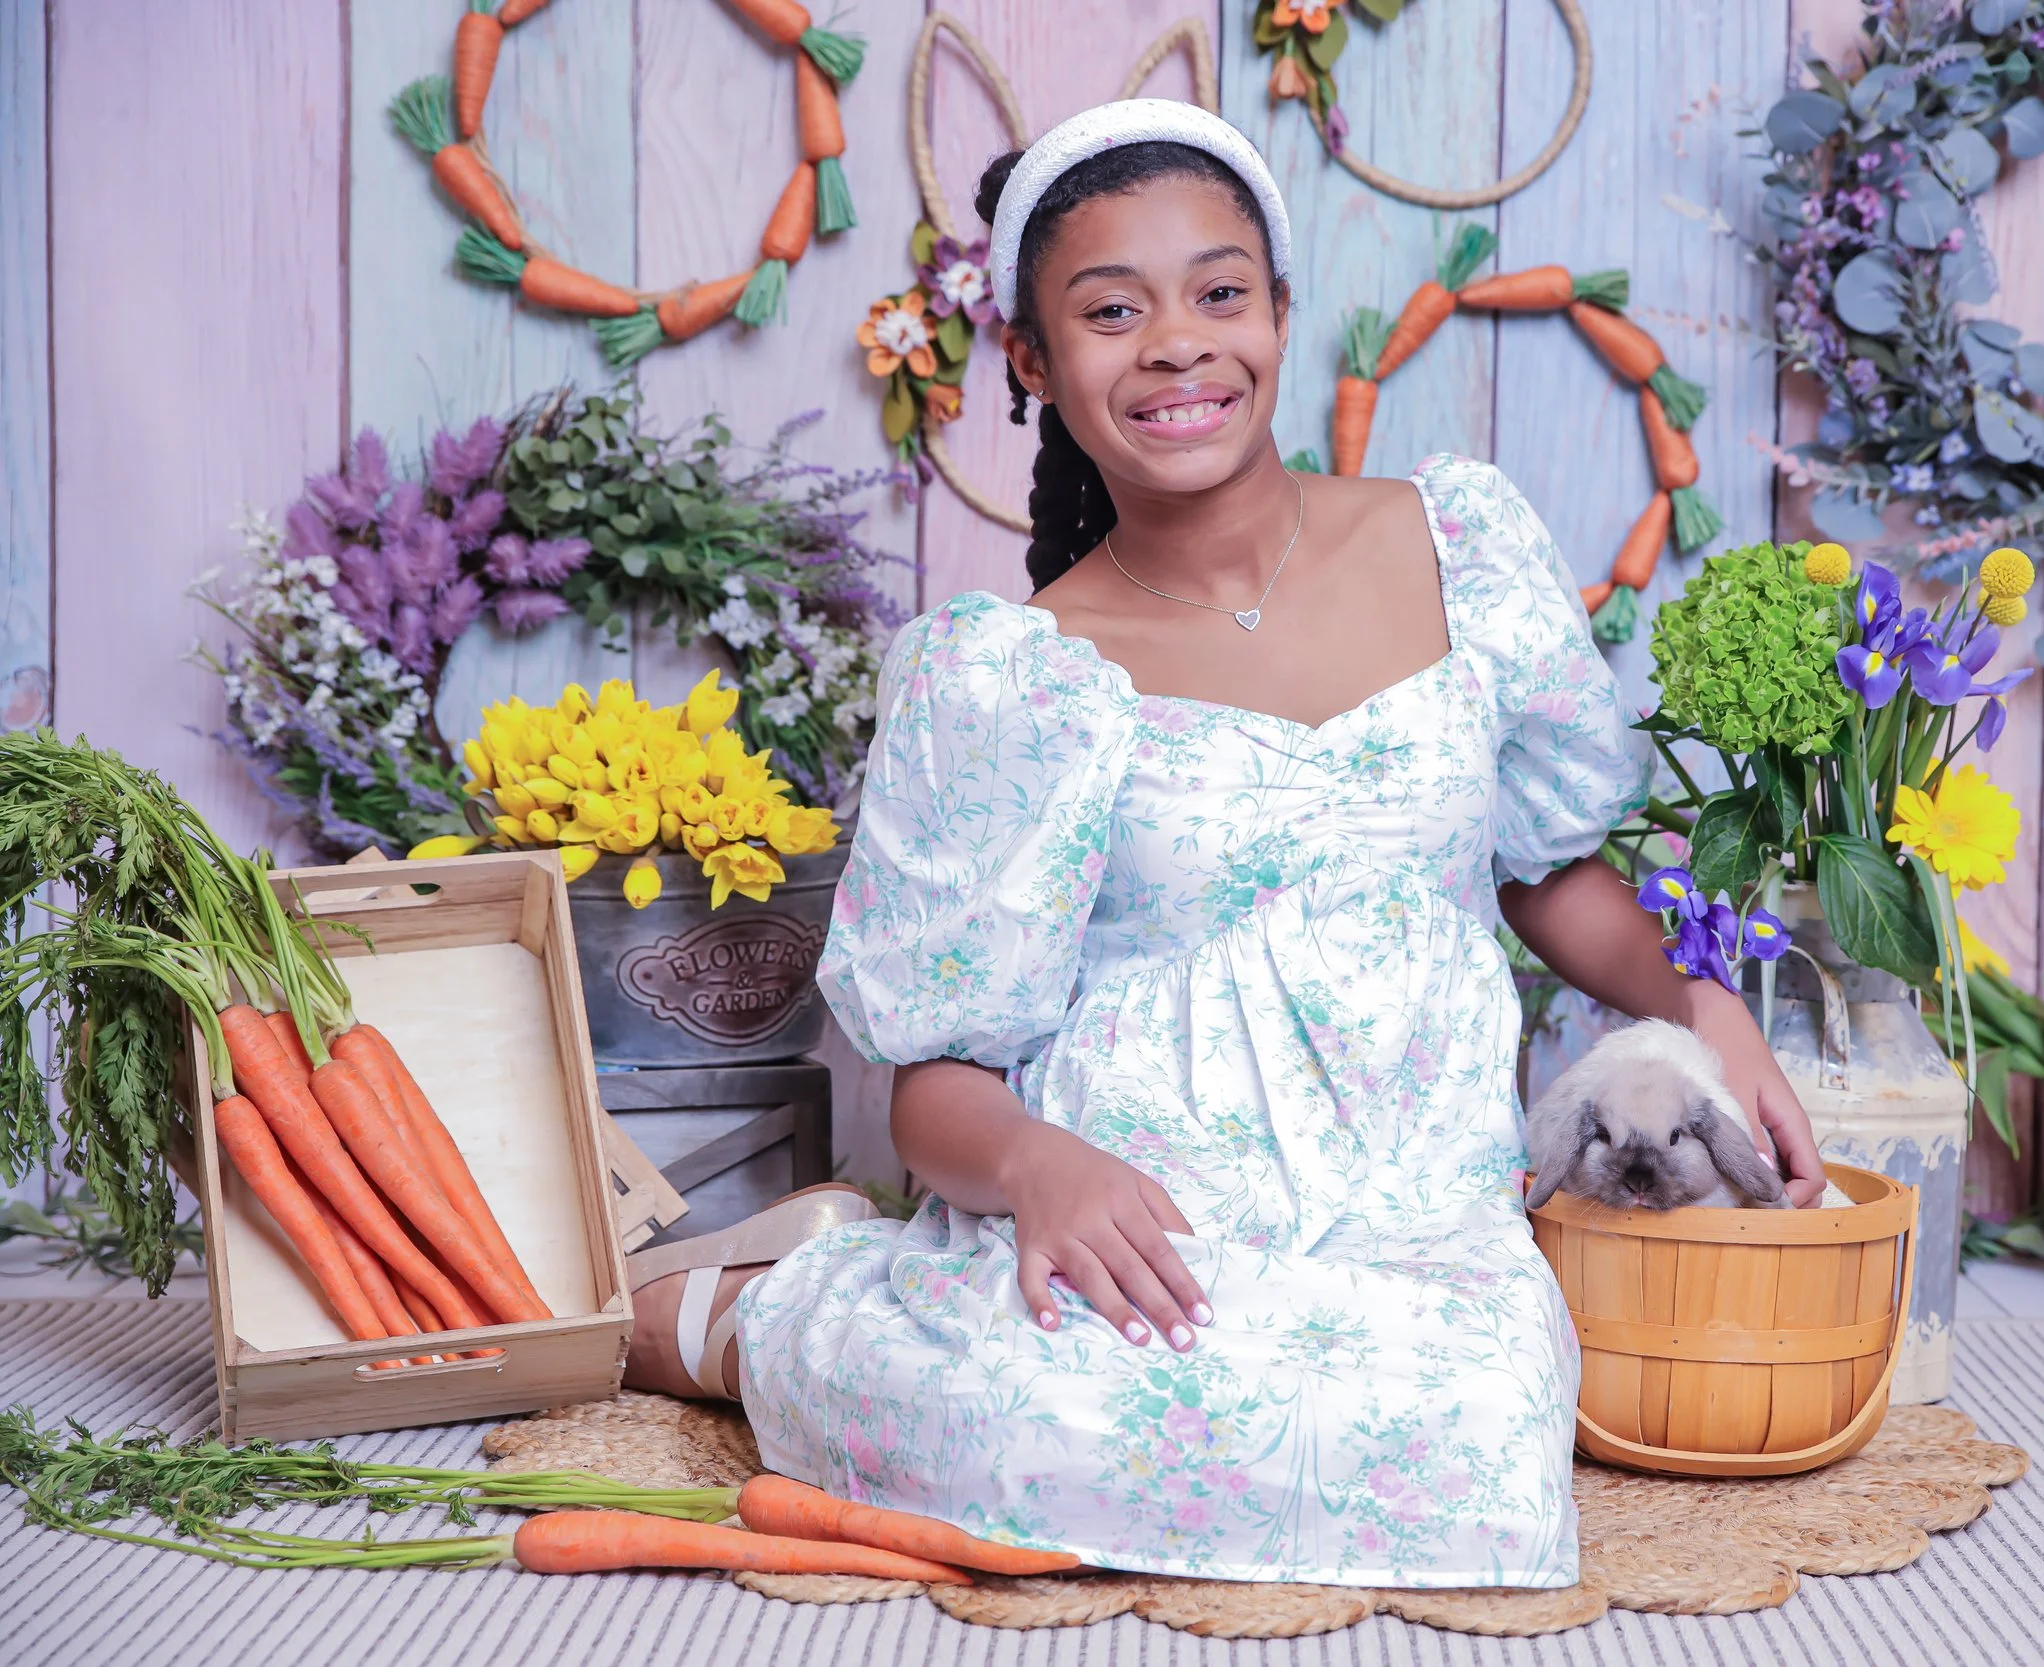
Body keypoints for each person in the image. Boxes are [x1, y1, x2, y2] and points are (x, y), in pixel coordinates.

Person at [622, 98, 1827, 1590]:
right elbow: (931, 1080)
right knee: (1045, 1420)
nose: (1180, 344)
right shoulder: (1018, 673)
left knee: (1477, 1436)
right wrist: (1041, 1166)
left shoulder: (1454, 547)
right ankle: (751, 1315)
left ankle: (811, 1307)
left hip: (1407, 1206)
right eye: (1112, 311)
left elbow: (1547, 871)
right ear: (1033, 362)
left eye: (1219, 292)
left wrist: (1697, 999)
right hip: (1140, 1202)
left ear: (1277, 313)